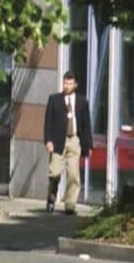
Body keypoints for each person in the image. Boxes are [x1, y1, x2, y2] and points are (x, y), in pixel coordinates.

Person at [43, 71, 95, 214]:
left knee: (73, 174)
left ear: (75, 85)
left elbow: (86, 124)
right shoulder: (54, 100)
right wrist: (48, 141)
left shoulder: (82, 102)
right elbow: (48, 122)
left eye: (70, 83)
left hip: (74, 140)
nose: (67, 86)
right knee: (54, 173)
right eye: (65, 83)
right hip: (58, 140)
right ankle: (51, 197)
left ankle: (70, 205)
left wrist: (89, 145)